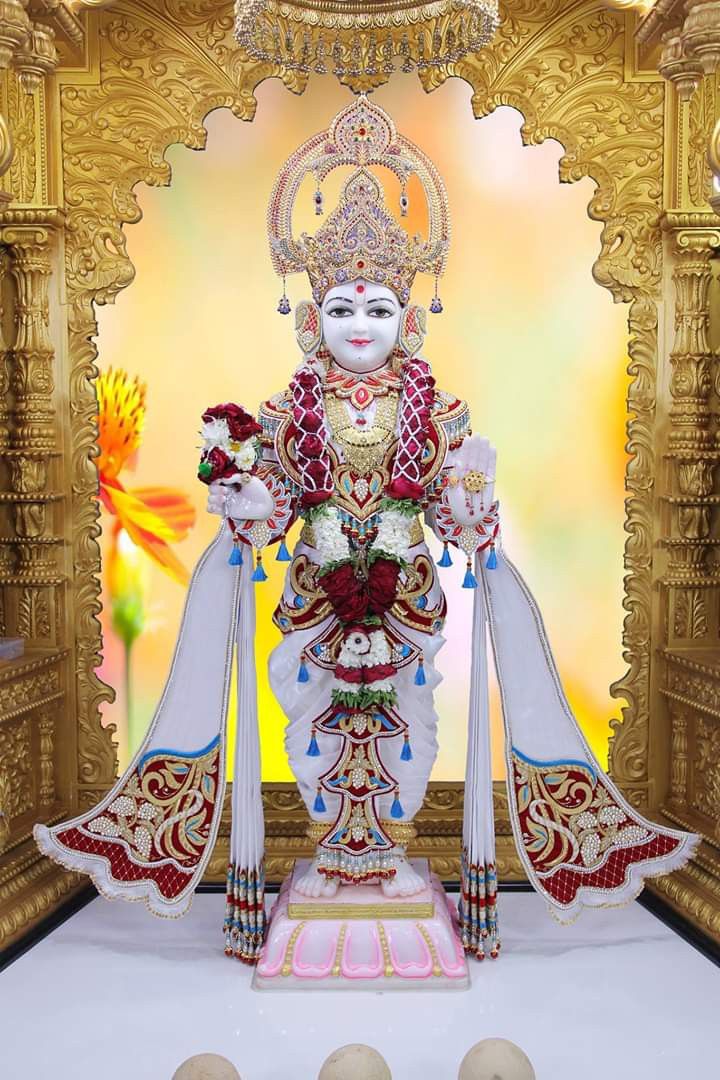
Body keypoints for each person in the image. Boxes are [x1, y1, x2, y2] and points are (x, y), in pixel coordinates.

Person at [35, 96, 698, 966]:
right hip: (315, 599)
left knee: (409, 728)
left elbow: (452, 502)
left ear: (409, 321)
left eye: (379, 310)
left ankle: (386, 853)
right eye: (343, 309)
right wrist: (248, 501)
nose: (359, 327)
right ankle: (331, 854)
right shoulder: (290, 406)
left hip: (406, 601)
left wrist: (470, 511)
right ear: (311, 319)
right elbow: (275, 498)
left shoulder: (436, 406)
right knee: (310, 723)